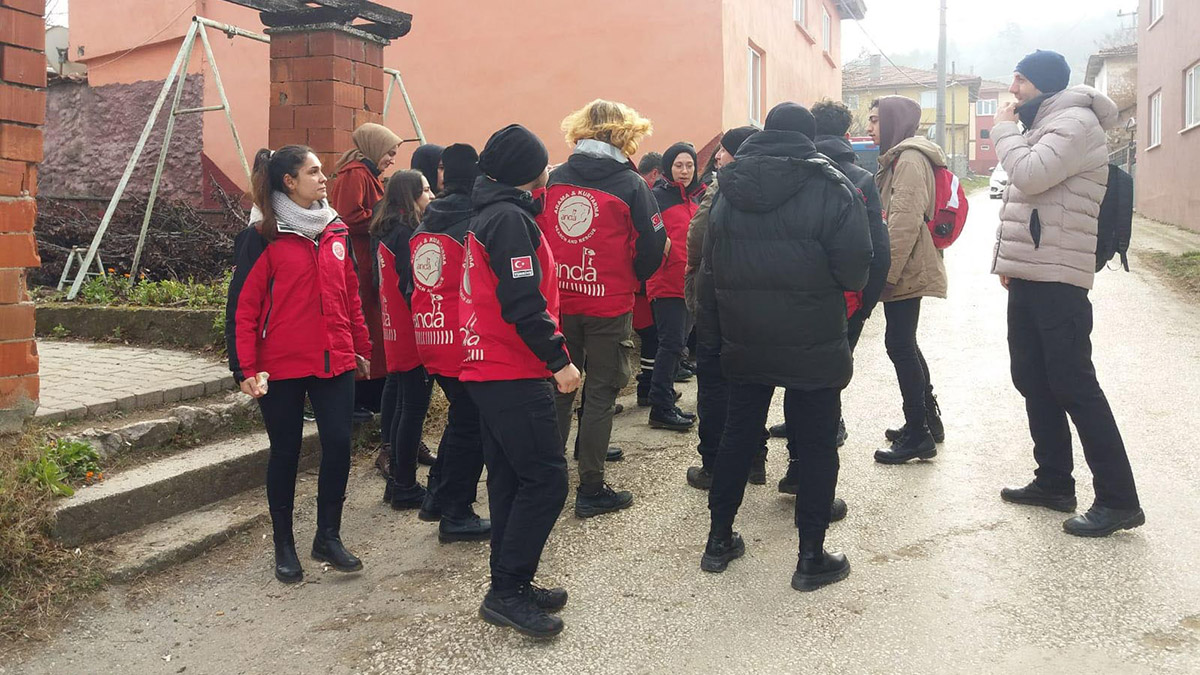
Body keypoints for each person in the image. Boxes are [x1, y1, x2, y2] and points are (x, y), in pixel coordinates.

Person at [697, 103, 872, 592]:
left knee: (738, 435)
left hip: (744, 336)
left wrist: (711, 338)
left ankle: (718, 541)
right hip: (812, 336)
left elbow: (709, 271)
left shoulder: (727, 190)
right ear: (810, 137)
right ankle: (810, 557)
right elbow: (856, 267)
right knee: (816, 445)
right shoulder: (833, 187)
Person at [993, 50, 1144, 537]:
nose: (1011, 89)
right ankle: (1054, 481)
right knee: (1032, 378)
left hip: (1059, 279)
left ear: (1040, 83)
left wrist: (1001, 131)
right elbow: (1031, 199)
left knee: (1074, 384)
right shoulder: (1047, 122)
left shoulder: (1075, 122)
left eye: (1018, 80)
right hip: (1034, 273)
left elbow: (1031, 175)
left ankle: (1120, 499)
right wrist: (1012, 264)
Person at [226, 145, 371, 584]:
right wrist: (244, 368)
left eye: (321, 171)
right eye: (314, 171)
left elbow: (351, 296)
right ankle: (284, 544)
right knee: (286, 453)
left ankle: (328, 535)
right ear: (288, 181)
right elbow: (243, 308)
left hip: (335, 360)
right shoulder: (262, 236)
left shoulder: (335, 230)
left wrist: (360, 348)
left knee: (339, 445)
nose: (324, 178)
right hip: (280, 366)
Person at [461, 124, 581, 639]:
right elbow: (523, 302)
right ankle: (506, 591)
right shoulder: (509, 218)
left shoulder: (493, 212)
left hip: (491, 367)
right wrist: (559, 361)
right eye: (544, 161)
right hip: (511, 368)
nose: (550, 168)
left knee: (512, 477)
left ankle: (511, 581)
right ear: (526, 172)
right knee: (547, 479)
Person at [538, 99, 667, 519]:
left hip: (558, 301)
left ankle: (549, 480)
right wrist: (630, 276)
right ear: (624, 135)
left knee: (560, 386)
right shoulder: (632, 186)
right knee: (601, 393)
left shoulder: (554, 178)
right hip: (609, 302)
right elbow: (652, 247)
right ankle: (590, 486)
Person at [771, 99, 893, 491]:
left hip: (789, 303)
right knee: (826, 387)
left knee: (795, 381)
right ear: (845, 133)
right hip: (843, 304)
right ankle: (813, 471)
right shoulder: (859, 178)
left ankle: (795, 465)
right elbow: (876, 250)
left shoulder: (784, 172)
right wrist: (865, 306)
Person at [407, 144, 492, 542]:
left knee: (462, 417)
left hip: (430, 332)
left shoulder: (427, 222)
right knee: (471, 424)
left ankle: (438, 498)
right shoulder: (474, 220)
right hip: (462, 335)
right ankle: (456, 512)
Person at [867, 96, 949, 465]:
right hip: (909, 262)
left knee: (899, 344)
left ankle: (918, 433)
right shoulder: (901, 157)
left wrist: (887, 274)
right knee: (905, 343)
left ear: (893, 121)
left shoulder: (911, 159)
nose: (869, 128)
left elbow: (903, 220)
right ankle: (927, 422)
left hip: (908, 264)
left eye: (874, 120)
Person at [682, 126, 760, 490]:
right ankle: (754, 460)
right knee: (752, 382)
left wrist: (692, 271)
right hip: (760, 302)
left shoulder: (725, 185)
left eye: (723, 150)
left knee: (714, 384)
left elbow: (697, 236)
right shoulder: (779, 183)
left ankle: (713, 464)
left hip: (719, 296)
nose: (717, 157)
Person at [327, 123, 401, 427]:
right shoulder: (355, 174)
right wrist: (387, 215)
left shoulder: (366, 173)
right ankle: (358, 393)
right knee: (364, 324)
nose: (392, 159)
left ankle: (371, 391)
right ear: (375, 147)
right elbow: (348, 217)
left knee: (373, 325)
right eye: (390, 153)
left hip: (368, 257)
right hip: (358, 259)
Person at [374, 169, 437, 510]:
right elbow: (413, 285)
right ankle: (405, 484)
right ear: (410, 197)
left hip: (395, 329)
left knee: (403, 405)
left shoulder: (387, 230)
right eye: (425, 191)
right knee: (413, 409)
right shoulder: (408, 234)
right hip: (413, 331)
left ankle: (398, 480)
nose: (431, 196)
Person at [646, 142, 705, 431]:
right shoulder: (656, 197)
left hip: (690, 283)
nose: (684, 171)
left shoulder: (696, 199)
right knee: (669, 345)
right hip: (667, 283)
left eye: (690, 165)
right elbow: (644, 233)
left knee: (679, 344)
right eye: (679, 165)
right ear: (668, 167)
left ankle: (664, 395)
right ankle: (660, 406)